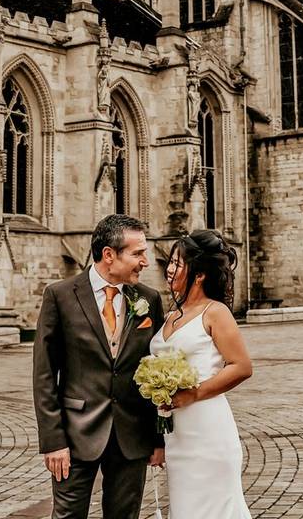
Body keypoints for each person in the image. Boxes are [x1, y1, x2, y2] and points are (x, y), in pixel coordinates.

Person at [33, 214, 166, 519]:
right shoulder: (60, 296)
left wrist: (156, 439)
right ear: (109, 255)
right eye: (137, 253)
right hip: (76, 435)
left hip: (131, 437)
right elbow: (43, 375)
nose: (145, 261)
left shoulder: (149, 299)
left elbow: (155, 371)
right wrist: (53, 442)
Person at [151, 229, 253, 519]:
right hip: (176, 433)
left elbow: (241, 366)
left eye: (177, 264)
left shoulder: (215, 312)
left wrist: (193, 393)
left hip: (207, 429)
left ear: (199, 275)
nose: (169, 269)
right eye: (170, 262)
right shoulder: (172, 315)